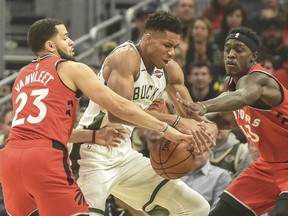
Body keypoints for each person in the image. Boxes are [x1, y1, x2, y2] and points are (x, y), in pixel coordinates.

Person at [0, 18, 196, 216]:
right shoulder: (72, 68)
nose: (71, 42)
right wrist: (167, 127)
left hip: (9, 159)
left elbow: (45, 131)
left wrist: (93, 136)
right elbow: (118, 106)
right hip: (44, 158)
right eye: (65, 37)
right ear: (50, 45)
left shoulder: (22, 77)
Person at [73, 11, 217, 216]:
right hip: (92, 150)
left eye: (175, 47)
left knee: (197, 208)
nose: (172, 53)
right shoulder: (125, 58)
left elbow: (190, 112)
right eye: (167, 45)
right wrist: (172, 121)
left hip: (125, 154)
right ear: (148, 38)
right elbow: (117, 114)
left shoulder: (170, 70)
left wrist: (210, 126)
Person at [177, 26, 288, 216]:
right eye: (227, 49)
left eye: (238, 49)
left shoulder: (259, 79)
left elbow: (243, 96)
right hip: (268, 166)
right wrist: (168, 117)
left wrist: (203, 105)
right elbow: (215, 121)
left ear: (253, 56)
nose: (231, 55)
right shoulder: (231, 88)